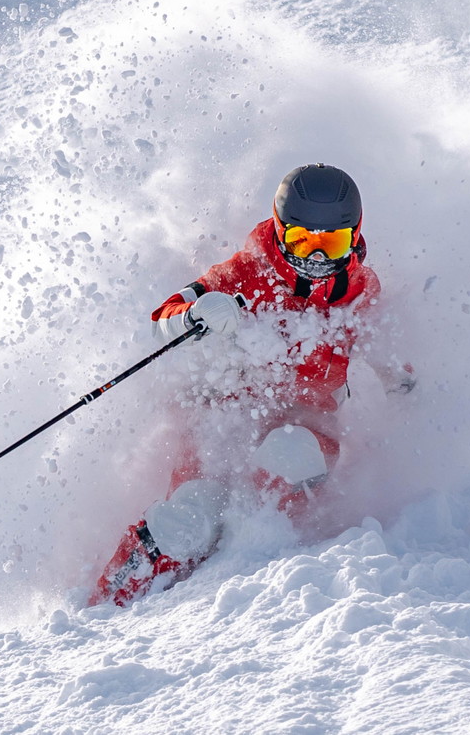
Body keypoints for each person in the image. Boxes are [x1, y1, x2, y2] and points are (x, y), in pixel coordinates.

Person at [88, 163, 414, 607]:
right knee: (188, 518)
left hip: (307, 433)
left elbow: (388, 347)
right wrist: (193, 316)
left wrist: (403, 383)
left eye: (330, 243)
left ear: (355, 236)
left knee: (286, 453)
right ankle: (102, 611)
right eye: (301, 240)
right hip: (222, 427)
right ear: (280, 231)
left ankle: (236, 584)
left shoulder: (361, 290)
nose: (315, 259)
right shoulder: (246, 273)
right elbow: (164, 316)